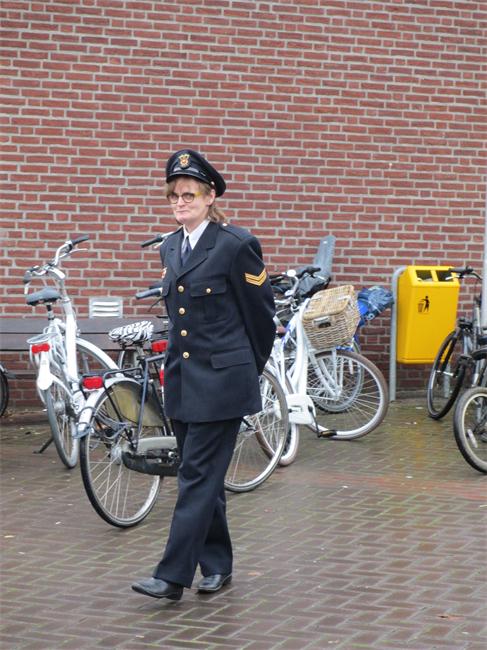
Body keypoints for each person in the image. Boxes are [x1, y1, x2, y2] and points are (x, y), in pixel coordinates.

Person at [131, 149, 276, 601]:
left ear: (210, 197)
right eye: (174, 195)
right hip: (183, 380)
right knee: (204, 477)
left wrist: (244, 373)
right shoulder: (171, 246)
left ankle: (172, 576)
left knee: (194, 476)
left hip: (222, 384)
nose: (180, 202)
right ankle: (217, 565)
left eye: (189, 194)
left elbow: (261, 319)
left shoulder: (235, 245)